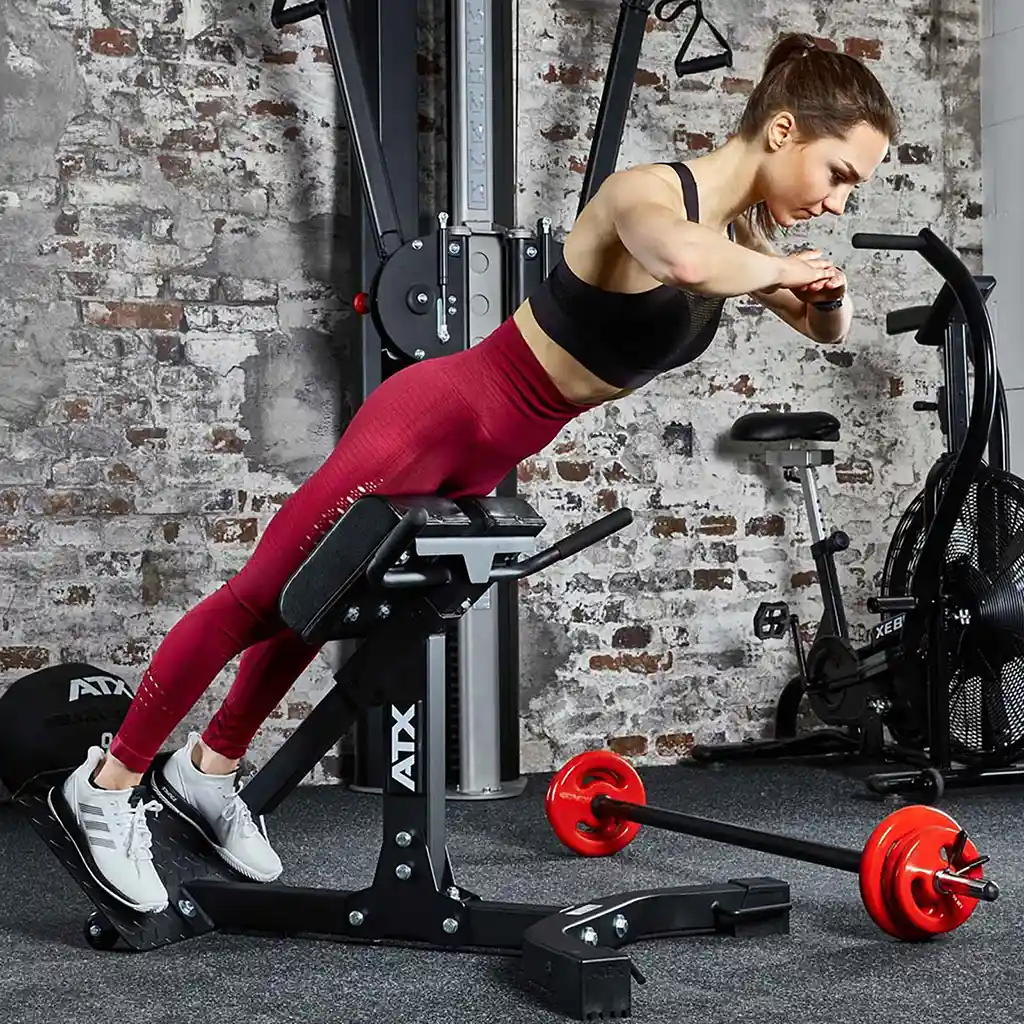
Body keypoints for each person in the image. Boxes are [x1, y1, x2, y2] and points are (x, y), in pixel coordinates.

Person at [53, 32, 898, 913]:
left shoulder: (736, 243)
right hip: (439, 415)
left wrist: (823, 297)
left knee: (326, 603)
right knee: (260, 597)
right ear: (786, 131)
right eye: (840, 174)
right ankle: (107, 785)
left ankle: (209, 769)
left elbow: (819, 329)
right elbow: (684, 263)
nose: (838, 202)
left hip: (490, 453)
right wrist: (785, 273)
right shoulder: (646, 196)